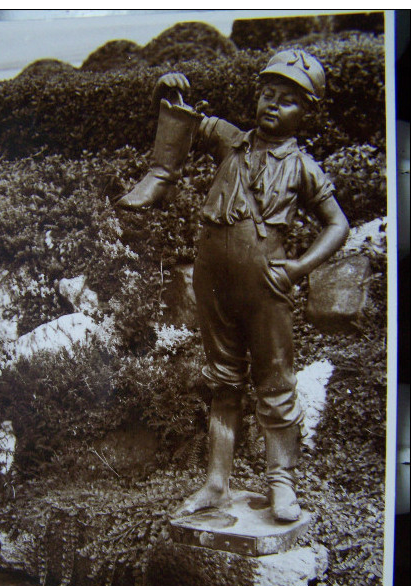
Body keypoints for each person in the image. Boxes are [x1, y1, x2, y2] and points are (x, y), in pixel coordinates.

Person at [117, 50, 349, 522]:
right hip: (214, 282)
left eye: (286, 101)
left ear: (306, 112)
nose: (272, 105)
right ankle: (216, 483)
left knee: (275, 383)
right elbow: (191, 123)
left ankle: (281, 483)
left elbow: (338, 225)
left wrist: (299, 267)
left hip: (266, 287)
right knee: (223, 382)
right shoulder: (232, 141)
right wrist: (173, 98)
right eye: (267, 94)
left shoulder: (303, 167)